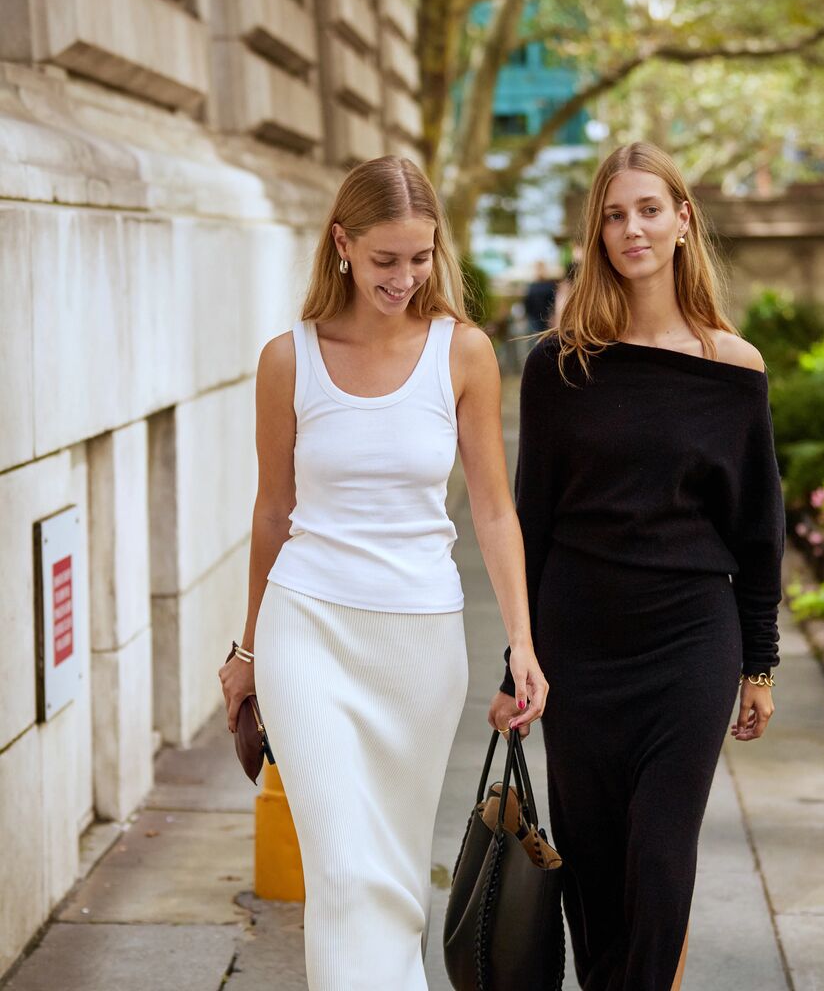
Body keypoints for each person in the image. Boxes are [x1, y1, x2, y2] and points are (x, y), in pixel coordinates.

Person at [218, 155, 548, 991]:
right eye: (384, 260)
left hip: (421, 642)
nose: (404, 278)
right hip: (309, 630)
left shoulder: (463, 354)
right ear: (342, 246)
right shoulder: (287, 360)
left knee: (395, 879)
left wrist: (522, 642)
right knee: (341, 871)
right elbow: (271, 513)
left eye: (420, 258)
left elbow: (494, 510)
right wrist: (249, 652)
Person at [488, 141, 784, 990]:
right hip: (580, 645)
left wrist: (757, 661)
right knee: (591, 875)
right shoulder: (558, 365)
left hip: (691, 640)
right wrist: (517, 661)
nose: (633, 229)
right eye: (614, 215)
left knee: (659, 865)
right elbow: (528, 522)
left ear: (684, 221)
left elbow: (759, 530)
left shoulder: (735, 370)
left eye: (650, 209)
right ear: (597, 233)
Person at [523, 260, 558, 333]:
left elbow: (554, 302)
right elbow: (527, 302)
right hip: (535, 318)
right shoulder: (532, 286)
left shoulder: (549, 285)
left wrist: (553, 315)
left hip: (546, 318)